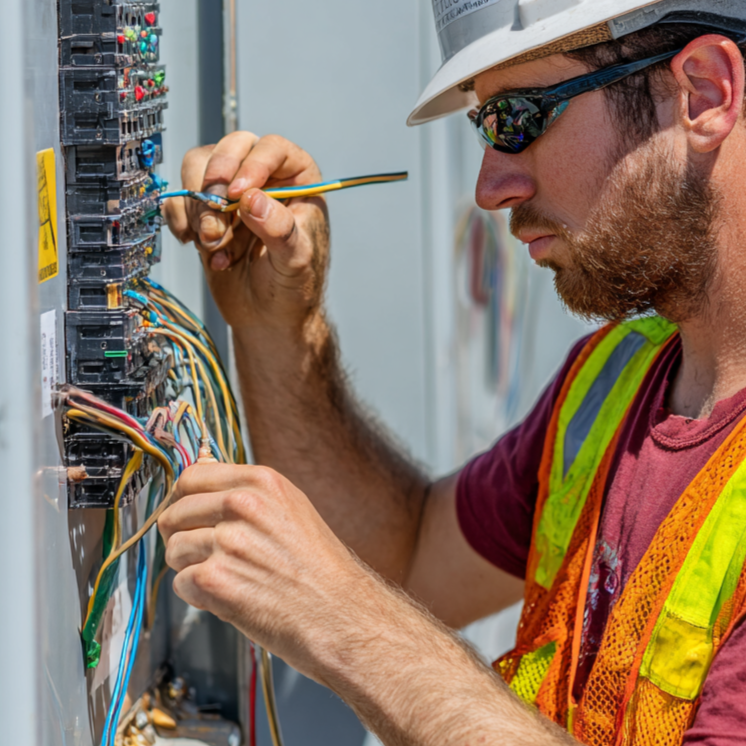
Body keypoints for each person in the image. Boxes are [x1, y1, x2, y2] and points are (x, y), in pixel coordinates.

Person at [158, 1, 746, 743]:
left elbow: (366, 599)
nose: (490, 186)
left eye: (520, 119)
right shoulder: (618, 377)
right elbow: (405, 562)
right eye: (484, 128)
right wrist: (282, 327)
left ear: (705, 93)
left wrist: (348, 621)